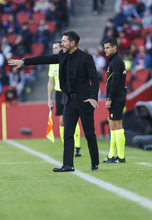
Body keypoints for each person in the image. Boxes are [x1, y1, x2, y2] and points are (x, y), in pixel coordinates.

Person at [8, 31, 100, 172]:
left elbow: (94, 79)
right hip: (69, 102)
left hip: (85, 101)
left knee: (89, 134)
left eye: (64, 41)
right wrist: (24, 61)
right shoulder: (62, 55)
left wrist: (93, 97)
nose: (61, 44)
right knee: (67, 134)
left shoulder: (86, 58)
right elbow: (44, 59)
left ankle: (95, 163)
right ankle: (68, 164)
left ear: (72, 43)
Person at [47, 41, 81, 157]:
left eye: (56, 47)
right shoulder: (52, 63)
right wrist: (49, 98)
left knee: (72, 120)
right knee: (61, 121)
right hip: (58, 93)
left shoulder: (67, 60)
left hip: (68, 92)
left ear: (62, 48)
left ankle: (77, 146)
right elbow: (50, 82)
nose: (54, 50)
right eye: (53, 48)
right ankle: (65, 145)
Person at [101, 38, 127, 163]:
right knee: (112, 125)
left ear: (115, 48)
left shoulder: (116, 61)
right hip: (116, 97)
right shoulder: (113, 61)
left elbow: (116, 82)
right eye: (104, 48)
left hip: (116, 97)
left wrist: (110, 98)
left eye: (107, 48)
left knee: (117, 125)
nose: (105, 50)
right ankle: (111, 155)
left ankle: (121, 156)